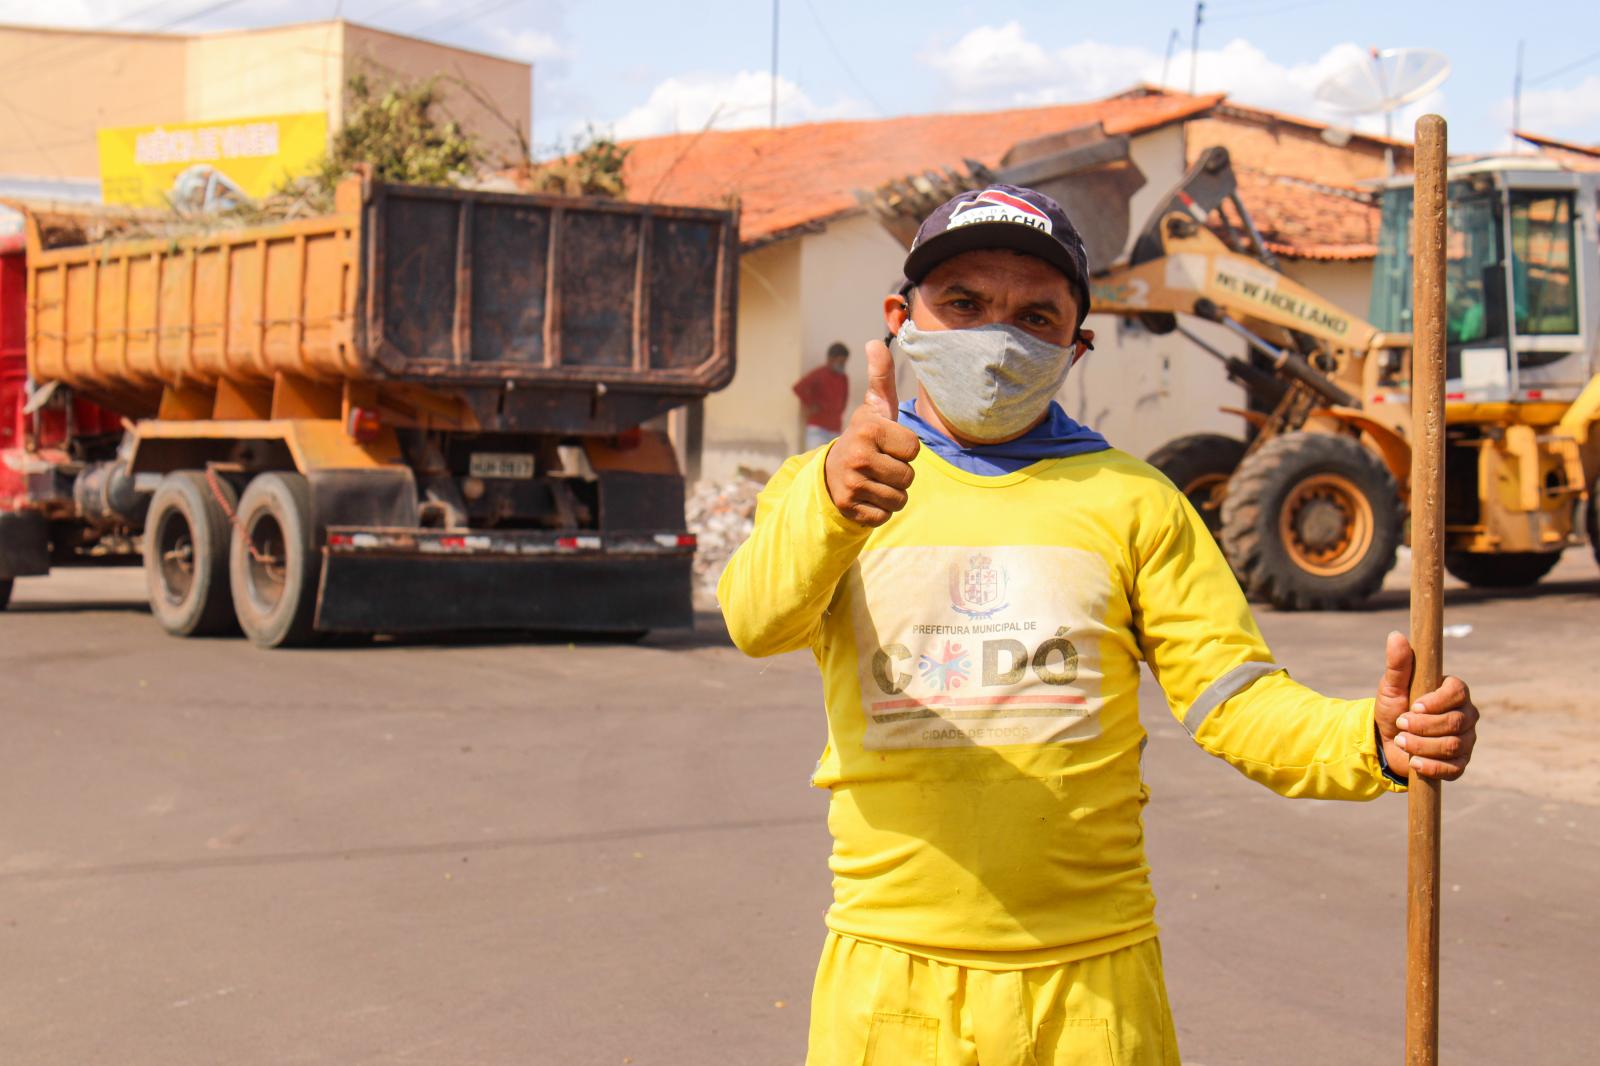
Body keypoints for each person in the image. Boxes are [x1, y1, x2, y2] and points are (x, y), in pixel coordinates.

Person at [717, 183, 1479, 1065]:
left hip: (1091, 983)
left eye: (1035, 316)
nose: (996, 334)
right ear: (901, 319)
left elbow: (1234, 701)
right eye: (963, 302)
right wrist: (831, 506)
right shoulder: (833, 485)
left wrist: (1372, 739)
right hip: (888, 982)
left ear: (1075, 345)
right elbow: (756, 622)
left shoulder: (1136, 502)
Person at [793, 341, 851, 452]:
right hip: (817, 429)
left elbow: (844, 399)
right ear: (830, 359)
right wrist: (810, 404)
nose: (842, 365)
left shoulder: (844, 378)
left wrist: (837, 413)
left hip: (835, 430)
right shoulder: (819, 374)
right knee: (814, 460)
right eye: (840, 361)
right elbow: (798, 388)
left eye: (844, 362)